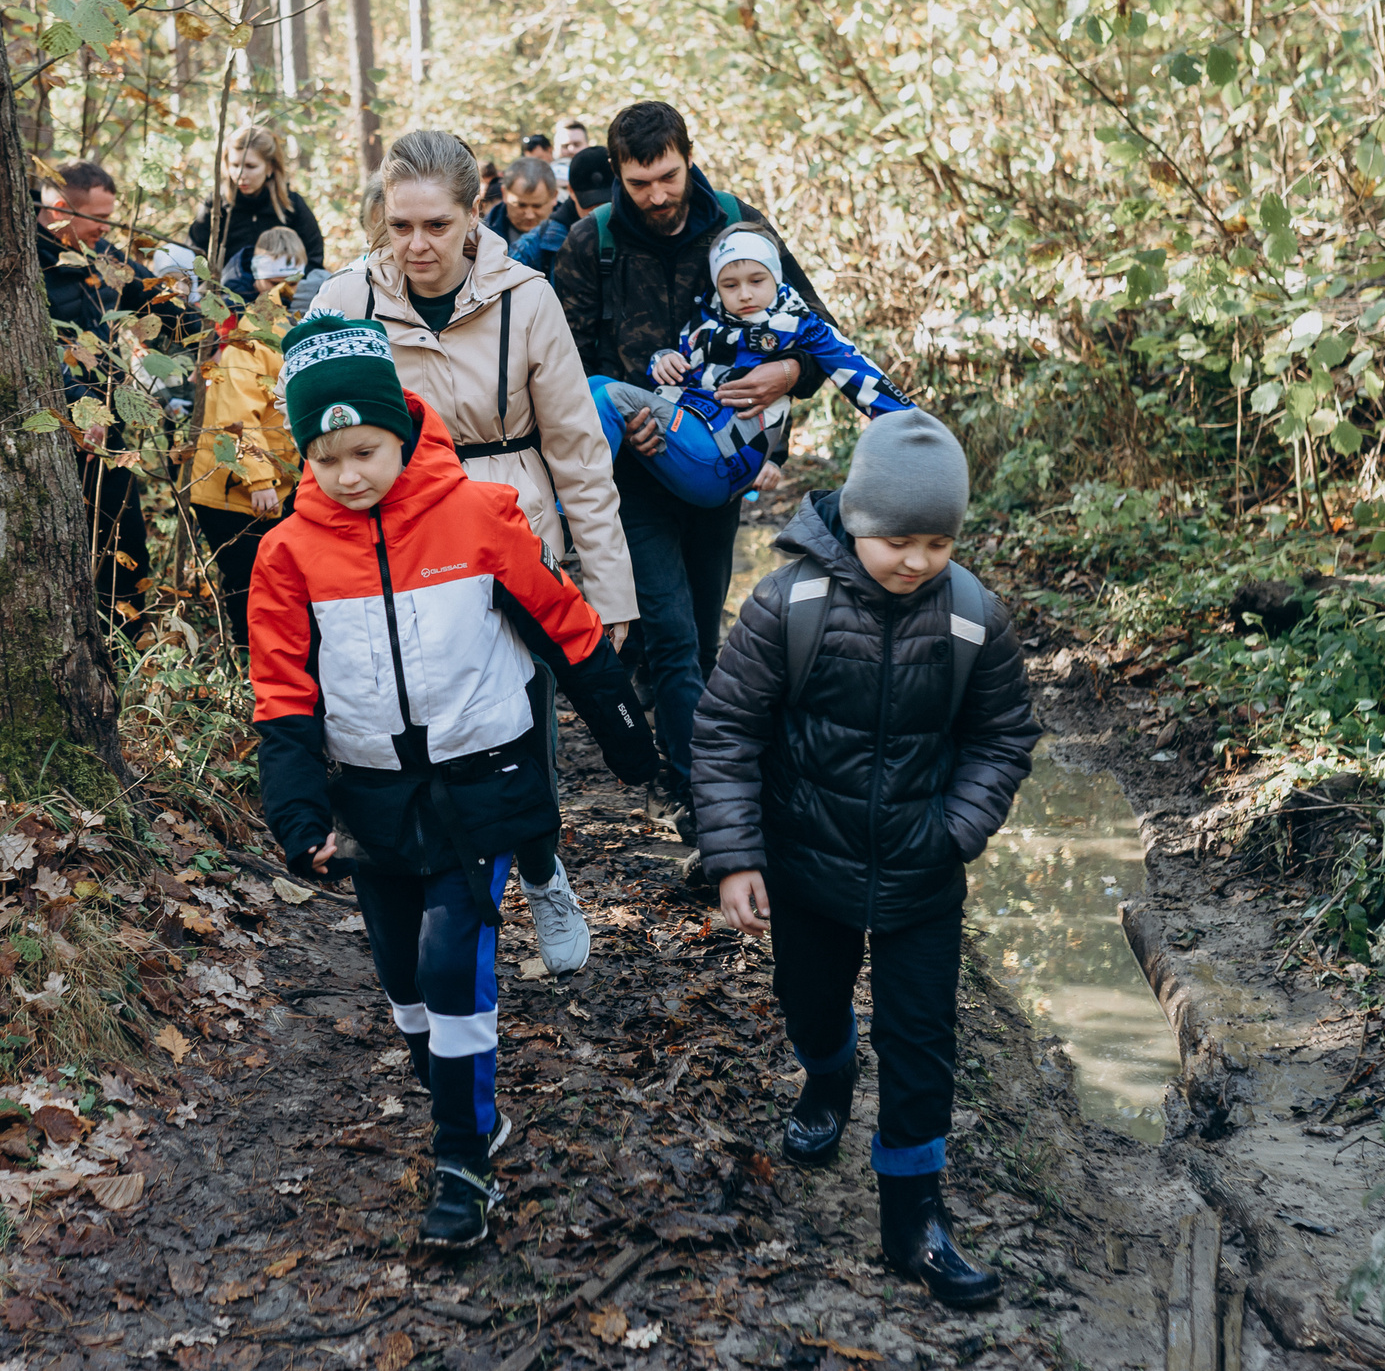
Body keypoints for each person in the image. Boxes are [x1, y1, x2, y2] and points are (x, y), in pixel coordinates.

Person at [252, 316, 657, 1249]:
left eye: (366, 450)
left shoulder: (476, 515)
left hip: (483, 778)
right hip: (374, 794)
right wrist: (297, 810)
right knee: (402, 977)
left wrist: (627, 737)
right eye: (326, 458)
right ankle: (459, 1098)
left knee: (449, 962)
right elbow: (283, 690)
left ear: (402, 430)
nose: (349, 474)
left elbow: (564, 625)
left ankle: (462, 1157)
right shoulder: (288, 556)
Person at [692, 410, 1039, 1308]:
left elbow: (1003, 737)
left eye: (937, 542)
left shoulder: (973, 618)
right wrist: (735, 856)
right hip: (808, 865)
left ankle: (914, 1217)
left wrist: (955, 829)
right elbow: (727, 728)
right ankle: (829, 1069)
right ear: (853, 518)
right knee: (810, 1000)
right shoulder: (789, 604)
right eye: (896, 540)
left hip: (923, 874)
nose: (916, 560)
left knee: (922, 1040)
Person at [309, 130, 637, 975]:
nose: (417, 245)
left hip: (509, 532)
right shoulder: (346, 298)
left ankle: (542, 866)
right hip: (392, 545)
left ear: (472, 217)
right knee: (420, 719)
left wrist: (608, 591)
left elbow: (578, 452)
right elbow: (308, 437)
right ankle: (435, 893)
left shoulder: (526, 298)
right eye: (400, 225)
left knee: (525, 719)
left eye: (437, 225)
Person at [549, 100, 843, 845]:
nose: (656, 196)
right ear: (618, 174)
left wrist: (786, 372)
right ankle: (701, 803)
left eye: (669, 177)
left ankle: (709, 773)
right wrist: (624, 413)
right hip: (635, 474)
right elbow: (560, 365)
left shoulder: (739, 229)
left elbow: (821, 335)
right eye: (639, 182)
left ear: (688, 157)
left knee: (705, 637)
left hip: (718, 465)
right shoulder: (592, 243)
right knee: (673, 640)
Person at [591, 225, 916, 508]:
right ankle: (572, 505)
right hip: (692, 432)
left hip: (725, 456)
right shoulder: (707, 321)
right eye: (730, 285)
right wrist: (662, 360)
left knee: (609, 398)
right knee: (594, 386)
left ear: (775, 277)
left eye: (757, 280)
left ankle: (574, 515)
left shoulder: (798, 324)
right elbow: (679, 377)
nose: (745, 294)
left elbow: (857, 371)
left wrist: (915, 429)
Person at [37, 160, 159, 640]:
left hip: (110, 425)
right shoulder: (27, 262)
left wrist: (226, 324)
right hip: (57, 428)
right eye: (99, 218)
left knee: (125, 536)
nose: (107, 228)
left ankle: (128, 645)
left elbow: (160, 301)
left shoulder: (102, 254)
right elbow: (35, 353)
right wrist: (79, 406)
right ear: (60, 208)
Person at [185, 231, 302, 646]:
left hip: (273, 486)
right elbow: (236, 414)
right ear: (258, 279)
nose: (283, 291)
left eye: (291, 281)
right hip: (235, 491)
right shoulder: (252, 331)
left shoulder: (290, 326)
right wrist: (259, 479)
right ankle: (248, 664)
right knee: (248, 589)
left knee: (275, 587)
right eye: (276, 282)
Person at [189, 125, 326, 285]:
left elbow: (314, 258)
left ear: (270, 167)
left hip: (284, 292)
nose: (241, 174)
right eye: (235, 165)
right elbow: (193, 251)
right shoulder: (217, 204)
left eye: (250, 166)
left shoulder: (291, 204)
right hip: (227, 293)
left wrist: (285, 285)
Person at [507, 146, 614, 280]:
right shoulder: (531, 249)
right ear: (572, 192)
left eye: (607, 205)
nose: (600, 213)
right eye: (591, 206)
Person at [483, 155, 560, 246]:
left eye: (537, 206)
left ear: (554, 197)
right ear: (504, 194)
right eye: (521, 205)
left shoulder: (571, 235)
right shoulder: (482, 237)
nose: (529, 215)